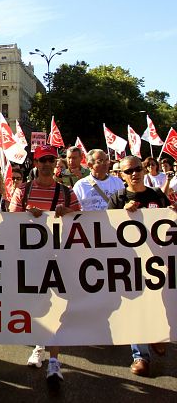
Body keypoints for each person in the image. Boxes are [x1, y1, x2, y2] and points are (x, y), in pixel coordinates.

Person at [8, 144, 80, 389]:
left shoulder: (68, 192)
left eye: (50, 159)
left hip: (60, 260)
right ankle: (39, 345)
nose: (47, 164)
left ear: (55, 162)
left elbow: (83, 224)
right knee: (38, 308)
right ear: (35, 164)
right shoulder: (23, 191)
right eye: (42, 160)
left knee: (58, 309)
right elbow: (10, 221)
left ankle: (54, 360)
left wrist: (68, 211)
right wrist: (27, 215)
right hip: (31, 260)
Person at [107, 155, 176, 377]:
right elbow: (104, 230)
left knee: (159, 302)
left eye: (138, 168)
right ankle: (140, 356)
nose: (135, 173)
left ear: (144, 170)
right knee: (135, 308)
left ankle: (157, 334)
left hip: (157, 262)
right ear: (121, 175)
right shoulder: (117, 199)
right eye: (129, 171)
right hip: (129, 264)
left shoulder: (157, 195)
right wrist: (121, 215)